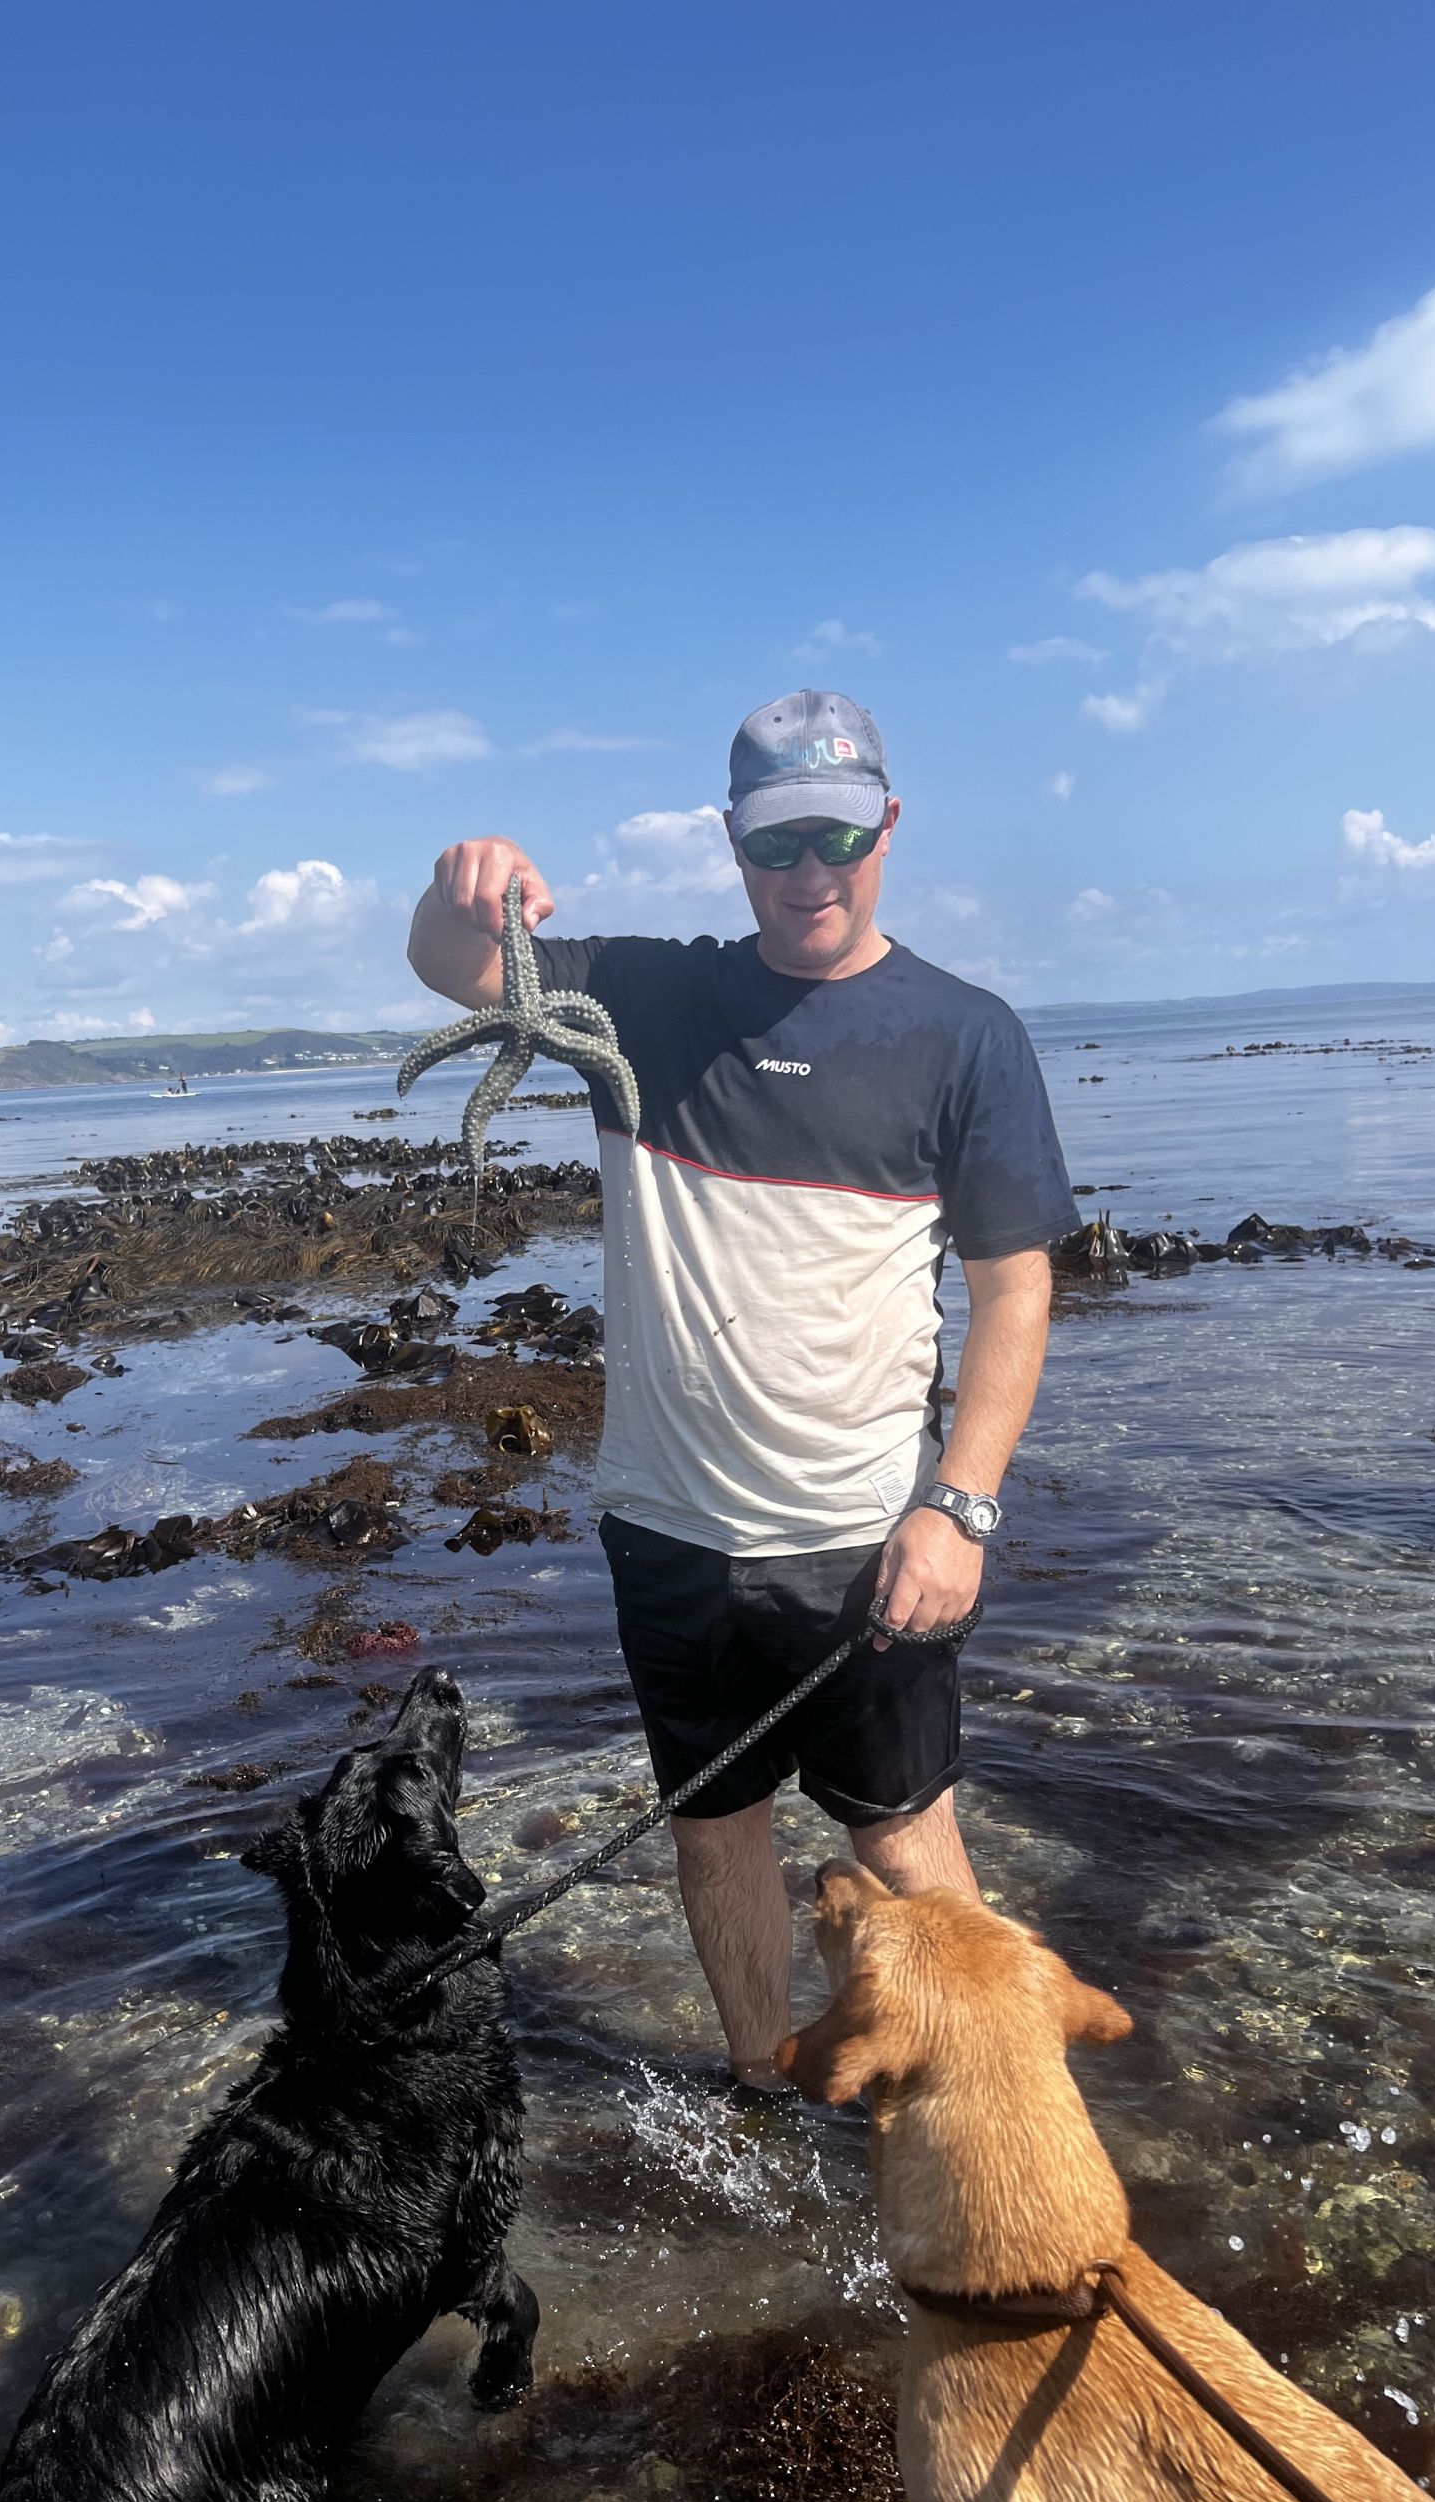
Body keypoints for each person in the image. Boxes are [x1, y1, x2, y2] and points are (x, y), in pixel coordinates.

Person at [406, 691, 1076, 2088]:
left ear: (886, 826)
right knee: (713, 1829)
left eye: (837, 835)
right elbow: (461, 970)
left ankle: (999, 2106)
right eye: (777, 844)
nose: (808, 871)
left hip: (858, 1537)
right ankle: (766, 2093)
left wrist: (959, 1508)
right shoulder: (640, 1000)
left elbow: (1016, 1290)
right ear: (733, 846)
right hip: (664, 1522)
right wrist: (460, 884)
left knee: (900, 1835)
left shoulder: (966, 1036)